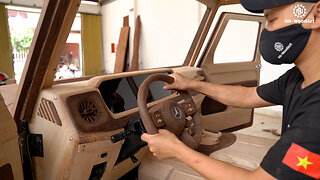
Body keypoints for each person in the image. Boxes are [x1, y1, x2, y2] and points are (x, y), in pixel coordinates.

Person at [141, 0, 320, 179]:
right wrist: (193, 85)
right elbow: (248, 96)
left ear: (316, 14)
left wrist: (177, 150)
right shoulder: (298, 77)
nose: (266, 32)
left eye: (272, 20)